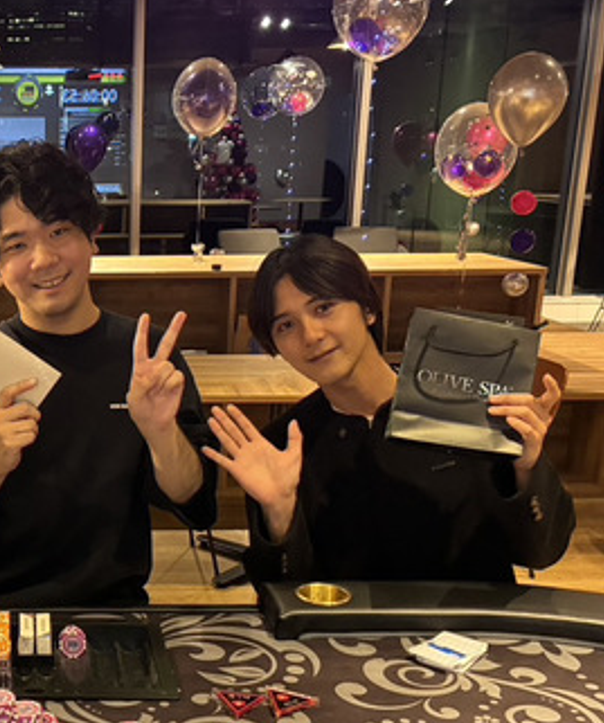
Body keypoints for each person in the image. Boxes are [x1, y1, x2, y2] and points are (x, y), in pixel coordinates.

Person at [0, 141, 218, 606]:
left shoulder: (146, 357)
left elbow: (194, 503)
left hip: (108, 609)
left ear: (92, 237)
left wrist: (161, 434)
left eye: (59, 231)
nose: (43, 259)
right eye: (17, 245)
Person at [203, 234, 574, 583]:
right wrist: (279, 513)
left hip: (468, 625)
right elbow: (287, 597)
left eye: (324, 307)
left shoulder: (465, 408)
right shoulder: (283, 446)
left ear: (367, 308)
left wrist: (527, 469)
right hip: (349, 630)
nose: (311, 335)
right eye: (286, 325)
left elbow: (541, 553)